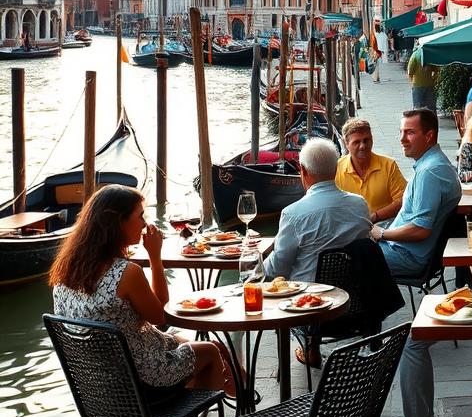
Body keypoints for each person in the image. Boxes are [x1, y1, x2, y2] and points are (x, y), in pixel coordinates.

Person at [50, 185, 235, 399]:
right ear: (118, 223)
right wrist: (155, 258)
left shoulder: (63, 273)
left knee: (211, 346)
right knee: (210, 351)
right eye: (140, 216)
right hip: (141, 386)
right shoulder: (126, 273)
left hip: (100, 390)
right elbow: (160, 317)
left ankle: (240, 393)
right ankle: (225, 406)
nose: (145, 224)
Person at [367, 109, 462, 417]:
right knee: (346, 253)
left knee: (338, 259)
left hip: (408, 257)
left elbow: (420, 230)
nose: (403, 139)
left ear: (430, 136)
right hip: (405, 251)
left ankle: (335, 335)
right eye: (402, 132)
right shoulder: (430, 166)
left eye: (409, 133)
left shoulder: (431, 171)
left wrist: (379, 233)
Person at [265, 138, 372, 366]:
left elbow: (279, 267)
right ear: (336, 168)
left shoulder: (293, 213)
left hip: (309, 307)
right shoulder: (360, 204)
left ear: (303, 171)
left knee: (282, 275)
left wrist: (255, 265)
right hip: (357, 300)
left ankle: (309, 346)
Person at [335, 119, 407, 224]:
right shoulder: (337, 169)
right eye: (357, 142)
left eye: (366, 140)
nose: (363, 146)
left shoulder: (388, 165)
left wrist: (375, 216)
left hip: (384, 227)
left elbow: (403, 200)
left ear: (372, 139)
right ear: (346, 144)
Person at [406, 46, 439, 115]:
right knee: (431, 108)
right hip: (429, 84)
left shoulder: (415, 55)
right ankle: (433, 124)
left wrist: (412, 83)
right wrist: (434, 80)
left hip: (417, 85)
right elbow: (436, 69)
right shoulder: (430, 55)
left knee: (418, 108)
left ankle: (420, 124)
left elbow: (410, 72)